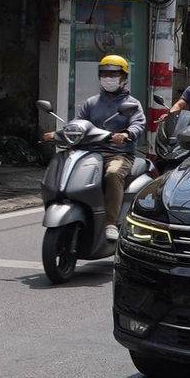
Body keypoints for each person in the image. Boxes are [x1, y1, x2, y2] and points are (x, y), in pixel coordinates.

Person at [66, 55, 146, 240]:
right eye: (104, 74)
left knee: (113, 173)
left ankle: (110, 222)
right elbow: (77, 123)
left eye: (113, 74)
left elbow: (138, 124)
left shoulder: (132, 104)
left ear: (124, 77)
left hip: (118, 154)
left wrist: (126, 134)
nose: (108, 78)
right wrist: (59, 133)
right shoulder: (91, 102)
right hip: (90, 153)